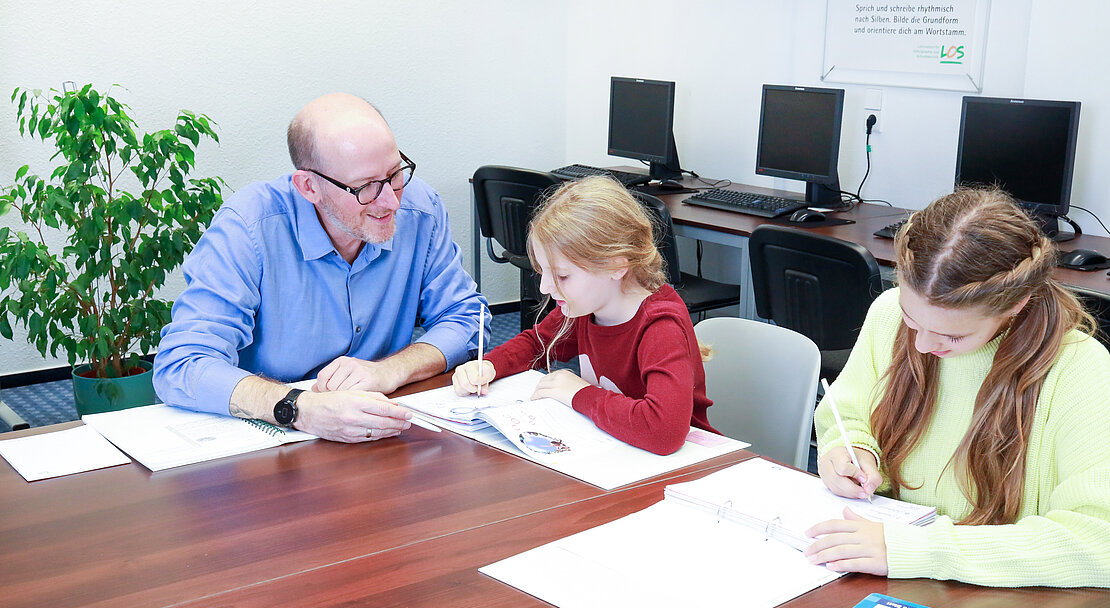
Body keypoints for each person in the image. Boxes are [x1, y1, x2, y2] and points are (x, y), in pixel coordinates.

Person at [804, 187, 1110, 587]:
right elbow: (847, 413)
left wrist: (920, 549)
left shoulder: (1079, 369)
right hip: (893, 573)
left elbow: (1098, 541)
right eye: (912, 320)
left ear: (1015, 305)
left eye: (953, 337)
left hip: (997, 597)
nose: (922, 345)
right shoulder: (887, 315)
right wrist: (850, 448)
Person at [153, 93, 487, 443]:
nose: (391, 200)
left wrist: (390, 370)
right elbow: (182, 364)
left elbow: (467, 320)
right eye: (366, 187)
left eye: (395, 174)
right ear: (309, 187)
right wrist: (300, 408)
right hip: (271, 439)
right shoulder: (248, 228)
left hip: (383, 426)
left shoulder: (422, 210)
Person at [451, 176, 716, 455]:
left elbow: (664, 433)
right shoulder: (585, 306)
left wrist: (579, 393)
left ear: (616, 266)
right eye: (542, 272)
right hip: (619, 453)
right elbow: (535, 344)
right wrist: (489, 366)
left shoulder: (660, 325)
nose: (545, 288)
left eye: (562, 276)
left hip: (687, 468)